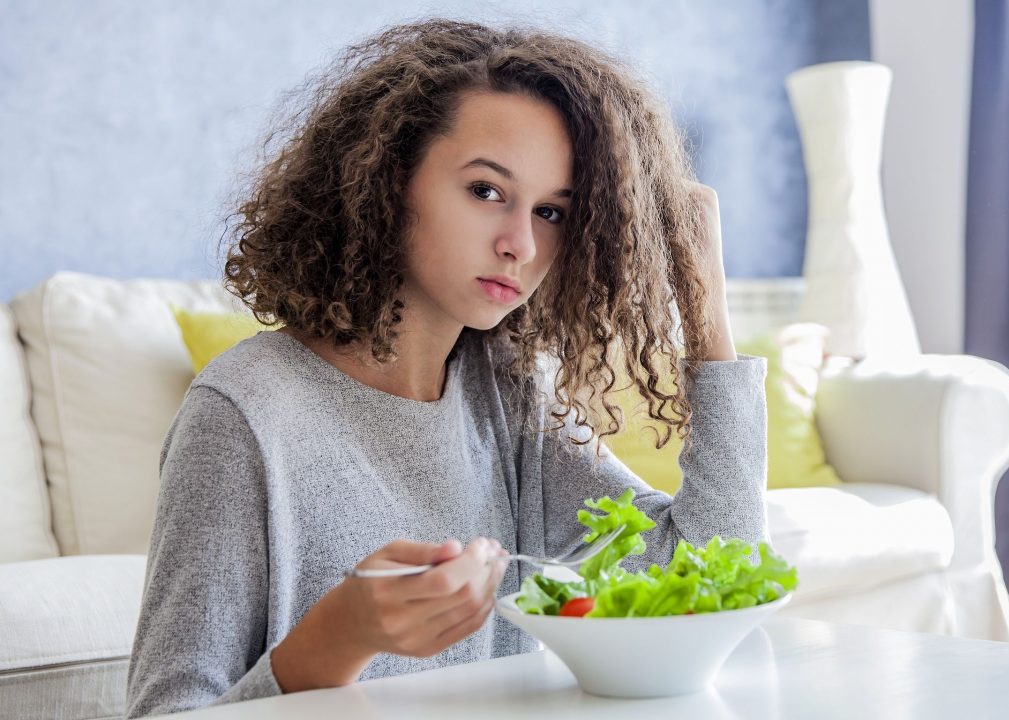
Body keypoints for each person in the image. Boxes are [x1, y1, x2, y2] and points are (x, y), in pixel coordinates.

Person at [125, 18, 767, 716]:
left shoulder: (509, 392)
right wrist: (340, 637)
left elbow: (706, 572)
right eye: (486, 191)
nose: (520, 243)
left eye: (552, 211)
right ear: (389, 181)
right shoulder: (243, 412)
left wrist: (704, 305)